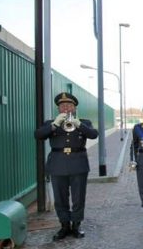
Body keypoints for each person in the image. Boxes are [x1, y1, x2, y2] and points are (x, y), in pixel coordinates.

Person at [35, 92, 98, 240]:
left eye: (69, 106)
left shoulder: (84, 122)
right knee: (60, 198)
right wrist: (54, 125)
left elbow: (93, 134)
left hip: (78, 164)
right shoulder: (51, 123)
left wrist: (79, 124)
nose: (66, 108)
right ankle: (64, 225)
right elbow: (38, 135)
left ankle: (76, 225)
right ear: (58, 109)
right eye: (63, 106)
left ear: (74, 108)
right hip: (58, 164)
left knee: (78, 197)